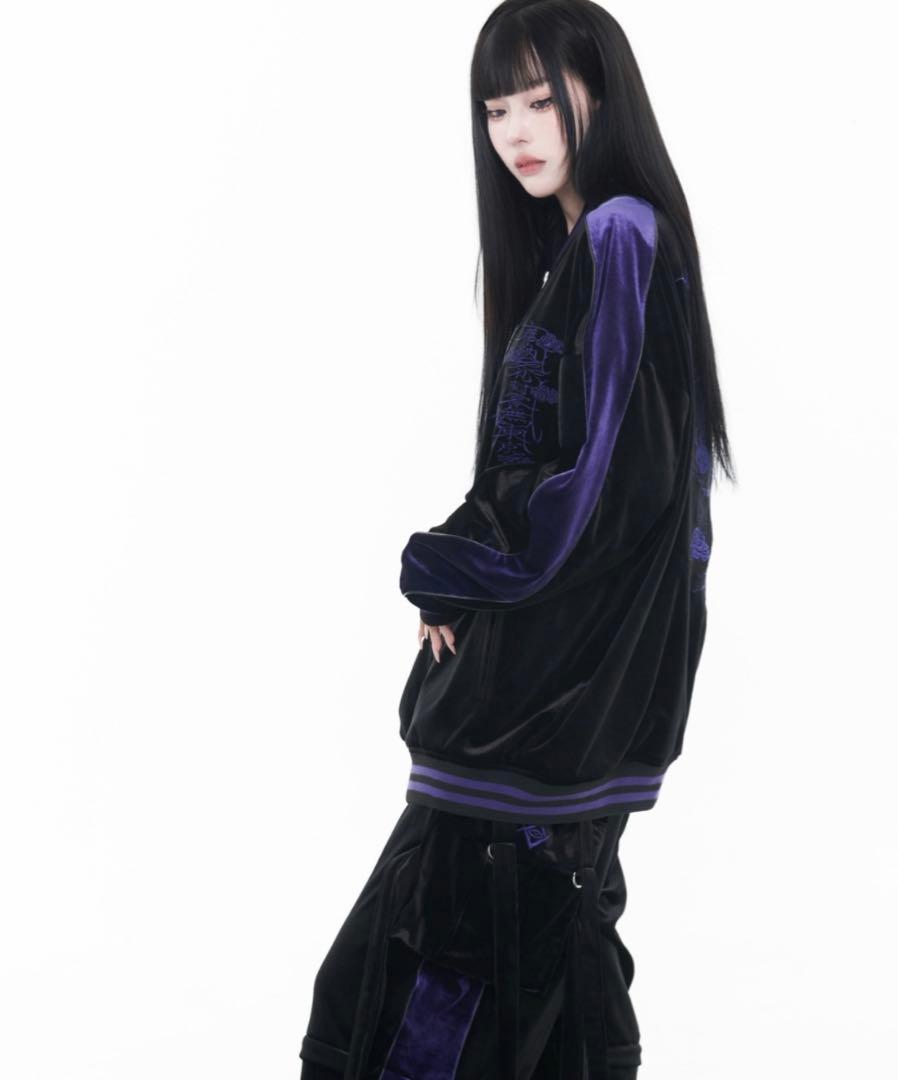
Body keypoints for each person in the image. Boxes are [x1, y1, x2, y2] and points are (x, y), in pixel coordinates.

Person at [297, 1, 734, 1076]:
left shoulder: (620, 236)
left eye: (541, 99)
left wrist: (448, 566)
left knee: (421, 995)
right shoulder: (587, 247)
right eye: (496, 109)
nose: (517, 132)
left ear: (602, 93)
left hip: (539, 711)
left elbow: (602, 484)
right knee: (533, 986)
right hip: (554, 706)